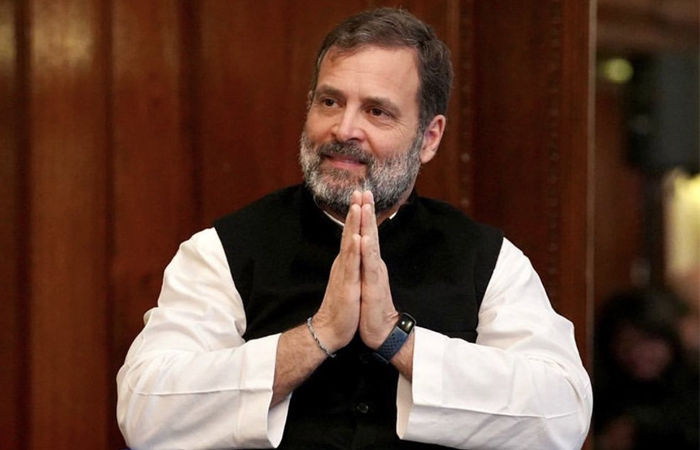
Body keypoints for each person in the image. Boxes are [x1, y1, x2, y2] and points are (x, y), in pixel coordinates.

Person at [117, 8, 592, 449]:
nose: (344, 129)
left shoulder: (487, 260)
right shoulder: (223, 251)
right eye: (330, 101)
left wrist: (396, 339)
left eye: (376, 111)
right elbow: (145, 413)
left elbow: (563, 415)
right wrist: (318, 335)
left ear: (429, 138)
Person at [594, 288, 699, 450]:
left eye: (648, 341)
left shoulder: (692, 383)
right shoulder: (603, 390)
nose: (637, 353)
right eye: (626, 342)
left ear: (671, 341)